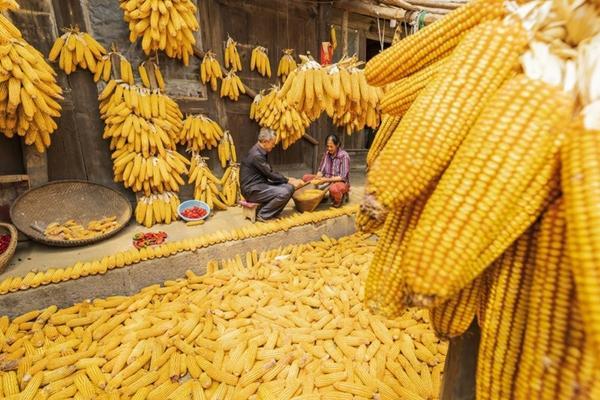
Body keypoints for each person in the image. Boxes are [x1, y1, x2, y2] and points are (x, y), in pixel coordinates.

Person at [240, 128, 304, 221]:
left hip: (260, 185)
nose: (274, 146)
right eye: (273, 143)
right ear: (265, 141)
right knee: (284, 192)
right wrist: (289, 180)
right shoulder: (256, 155)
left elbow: (270, 172)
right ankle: (263, 214)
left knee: (289, 188)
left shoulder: (260, 151)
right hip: (252, 191)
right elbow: (270, 174)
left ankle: (272, 212)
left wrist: (289, 179)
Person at [302, 134, 350, 207]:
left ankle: (340, 198)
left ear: (337, 145)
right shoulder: (327, 154)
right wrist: (318, 176)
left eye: (331, 146)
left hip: (339, 182)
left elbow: (342, 177)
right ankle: (322, 195)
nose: (329, 149)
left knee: (333, 189)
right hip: (327, 179)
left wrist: (326, 180)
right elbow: (321, 170)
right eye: (327, 146)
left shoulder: (344, 156)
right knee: (306, 177)